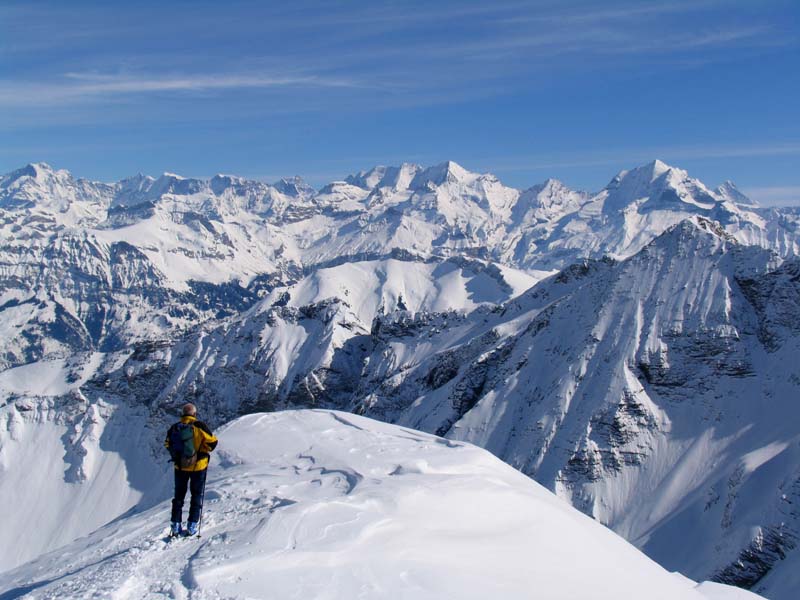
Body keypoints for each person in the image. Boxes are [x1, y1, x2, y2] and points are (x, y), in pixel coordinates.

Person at [164, 402, 218, 536]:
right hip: (198, 466)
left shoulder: (175, 428)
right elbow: (213, 443)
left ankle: (175, 526)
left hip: (180, 466)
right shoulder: (199, 426)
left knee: (178, 497)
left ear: (182, 414)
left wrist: (179, 456)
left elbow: (167, 444)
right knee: (196, 495)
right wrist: (201, 450)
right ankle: (192, 525)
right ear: (194, 414)